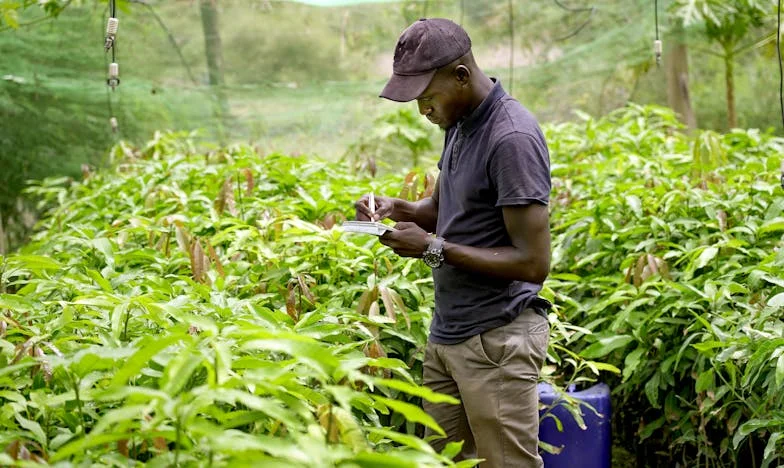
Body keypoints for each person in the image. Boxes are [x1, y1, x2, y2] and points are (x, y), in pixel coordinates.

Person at [354, 18, 552, 468]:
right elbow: (445, 208)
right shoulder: (459, 121)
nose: (423, 110)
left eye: (427, 97)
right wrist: (397, 208)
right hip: (449, 332)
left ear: (461, 76)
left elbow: (533, 262)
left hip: (496, 339)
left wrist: (431, 248)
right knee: (444, 461)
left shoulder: (511, 138)